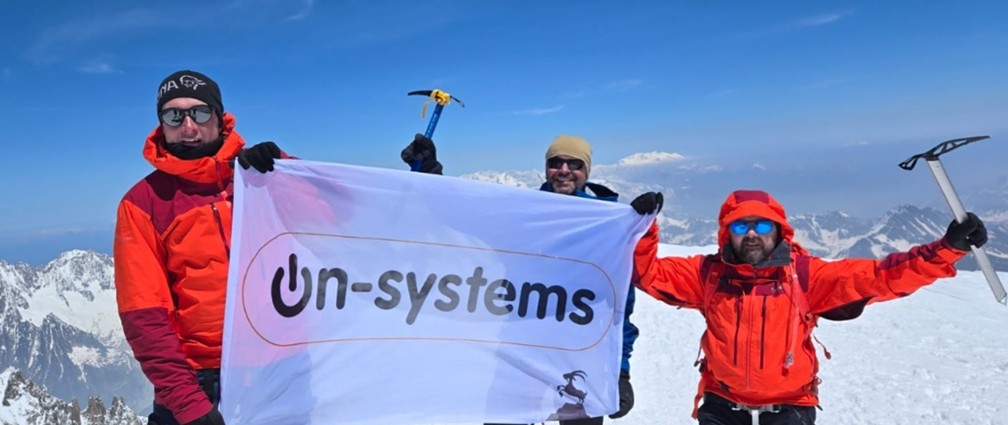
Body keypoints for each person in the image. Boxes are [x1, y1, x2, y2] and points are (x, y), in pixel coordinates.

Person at [628, 189, 988, 425]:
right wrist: (644, 230)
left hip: (791, 405)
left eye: (762, 224)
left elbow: (883, 277)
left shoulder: (805, 276)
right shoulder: (708, 274)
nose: (751, 233)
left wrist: (946, 249)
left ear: (778, 231)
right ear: (727, 233)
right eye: (740, 225)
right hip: (722, 402)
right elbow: (648, 274)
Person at [402, 134, 639, 425]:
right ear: (546, 169)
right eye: (555, 163)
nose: (563, 169)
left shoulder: (607, 227)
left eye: (574, 163)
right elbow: (466, 215)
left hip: (580, 357)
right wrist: (431, 176)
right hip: (520, 349)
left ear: (586, 171)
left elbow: (619, 307)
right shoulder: (524, 214)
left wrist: (621, 371)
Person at [114, 70, 289, 425]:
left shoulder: (263, 176)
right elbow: (145, 316)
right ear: (161, 124)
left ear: (221, 119)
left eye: (200, 113)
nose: (188, 126)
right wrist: (188, 403)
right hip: (201, 385)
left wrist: (285, 167)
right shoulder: (143, 203)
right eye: (174, 115)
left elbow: (339, 225)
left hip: (284, 366)